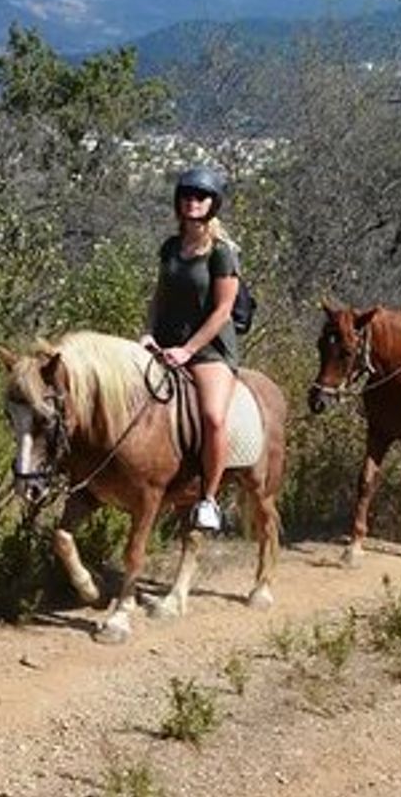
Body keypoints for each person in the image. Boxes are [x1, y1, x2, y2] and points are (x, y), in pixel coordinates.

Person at [142, 167, 241, 532]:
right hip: (163, 344)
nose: (192, 202)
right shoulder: (170, 247)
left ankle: (209, 499)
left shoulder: (221, 254)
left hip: (209, 350)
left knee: (213, 417)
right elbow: (158, 297)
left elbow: (222, 312)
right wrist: (148, 333)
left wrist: (188, 350)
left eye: (200, 197)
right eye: (186, 196)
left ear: (212, 204)